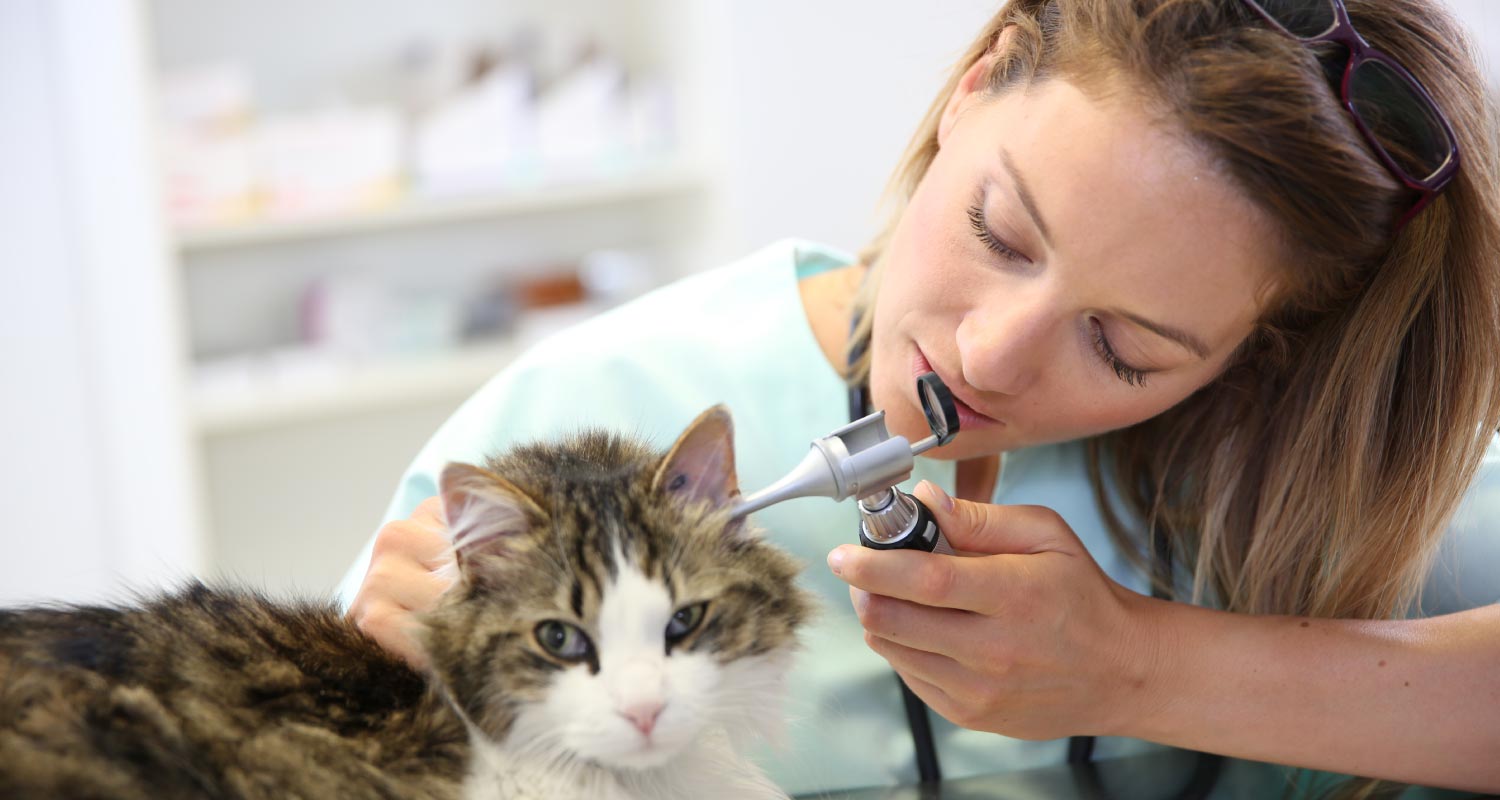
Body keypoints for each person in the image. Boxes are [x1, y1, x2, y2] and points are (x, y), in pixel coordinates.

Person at [339, 0, 1500, 794]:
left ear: (1254, 356)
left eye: (1126, 349)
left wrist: (1147, 665)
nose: (991, 356)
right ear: (977, 80)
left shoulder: (1317, 474)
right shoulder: (592, 413)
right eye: (999, 231)